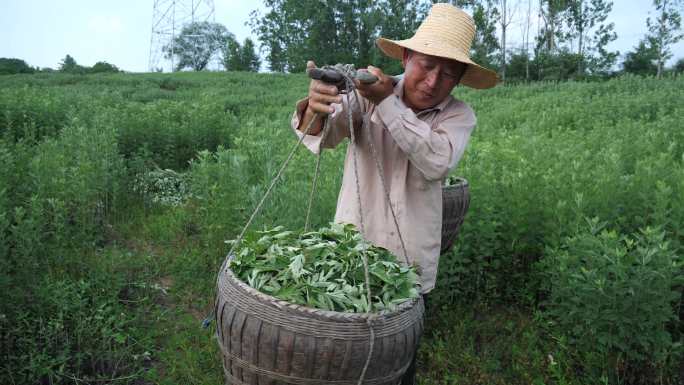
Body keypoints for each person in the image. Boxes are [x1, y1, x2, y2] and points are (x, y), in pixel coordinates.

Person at [291, 3, 497, 383]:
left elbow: (436, 162)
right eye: (426, 66)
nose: (433, 81)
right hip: (351, 254)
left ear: (460, 79)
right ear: (407, 56)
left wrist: (387, 102)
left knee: (398, 363)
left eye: (448, 73)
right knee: (344, 358)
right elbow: (321, 136)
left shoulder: (457, 116)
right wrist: (316, 108)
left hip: (409, 266)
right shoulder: (364, 93)